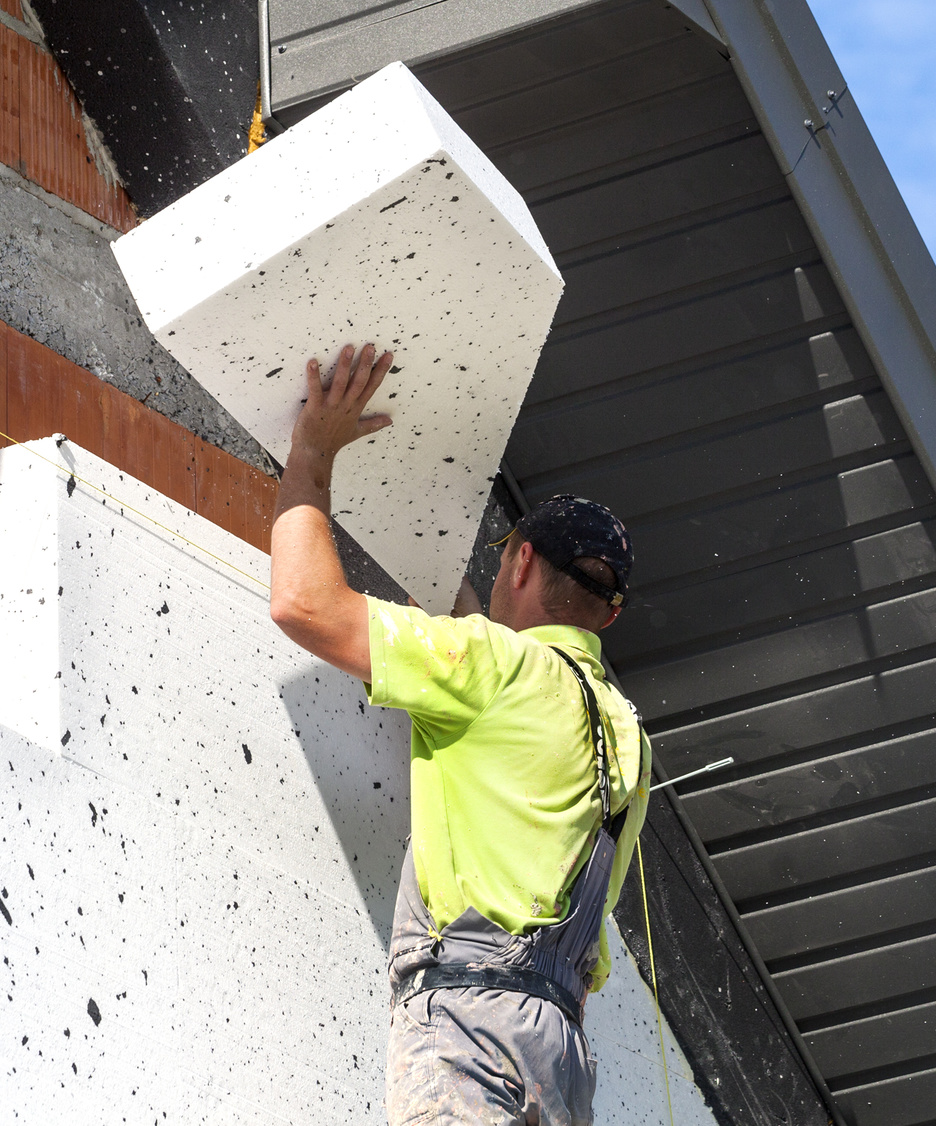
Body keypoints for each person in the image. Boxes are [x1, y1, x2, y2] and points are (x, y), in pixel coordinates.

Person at [269, 343, 651, 1126]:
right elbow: (497, 689)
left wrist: (312, 450)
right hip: (561, 1053)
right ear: (609, 615)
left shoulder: (492, 668)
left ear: (521, 564)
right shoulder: (624, 732)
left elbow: (303, 604)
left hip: (472, 1025)